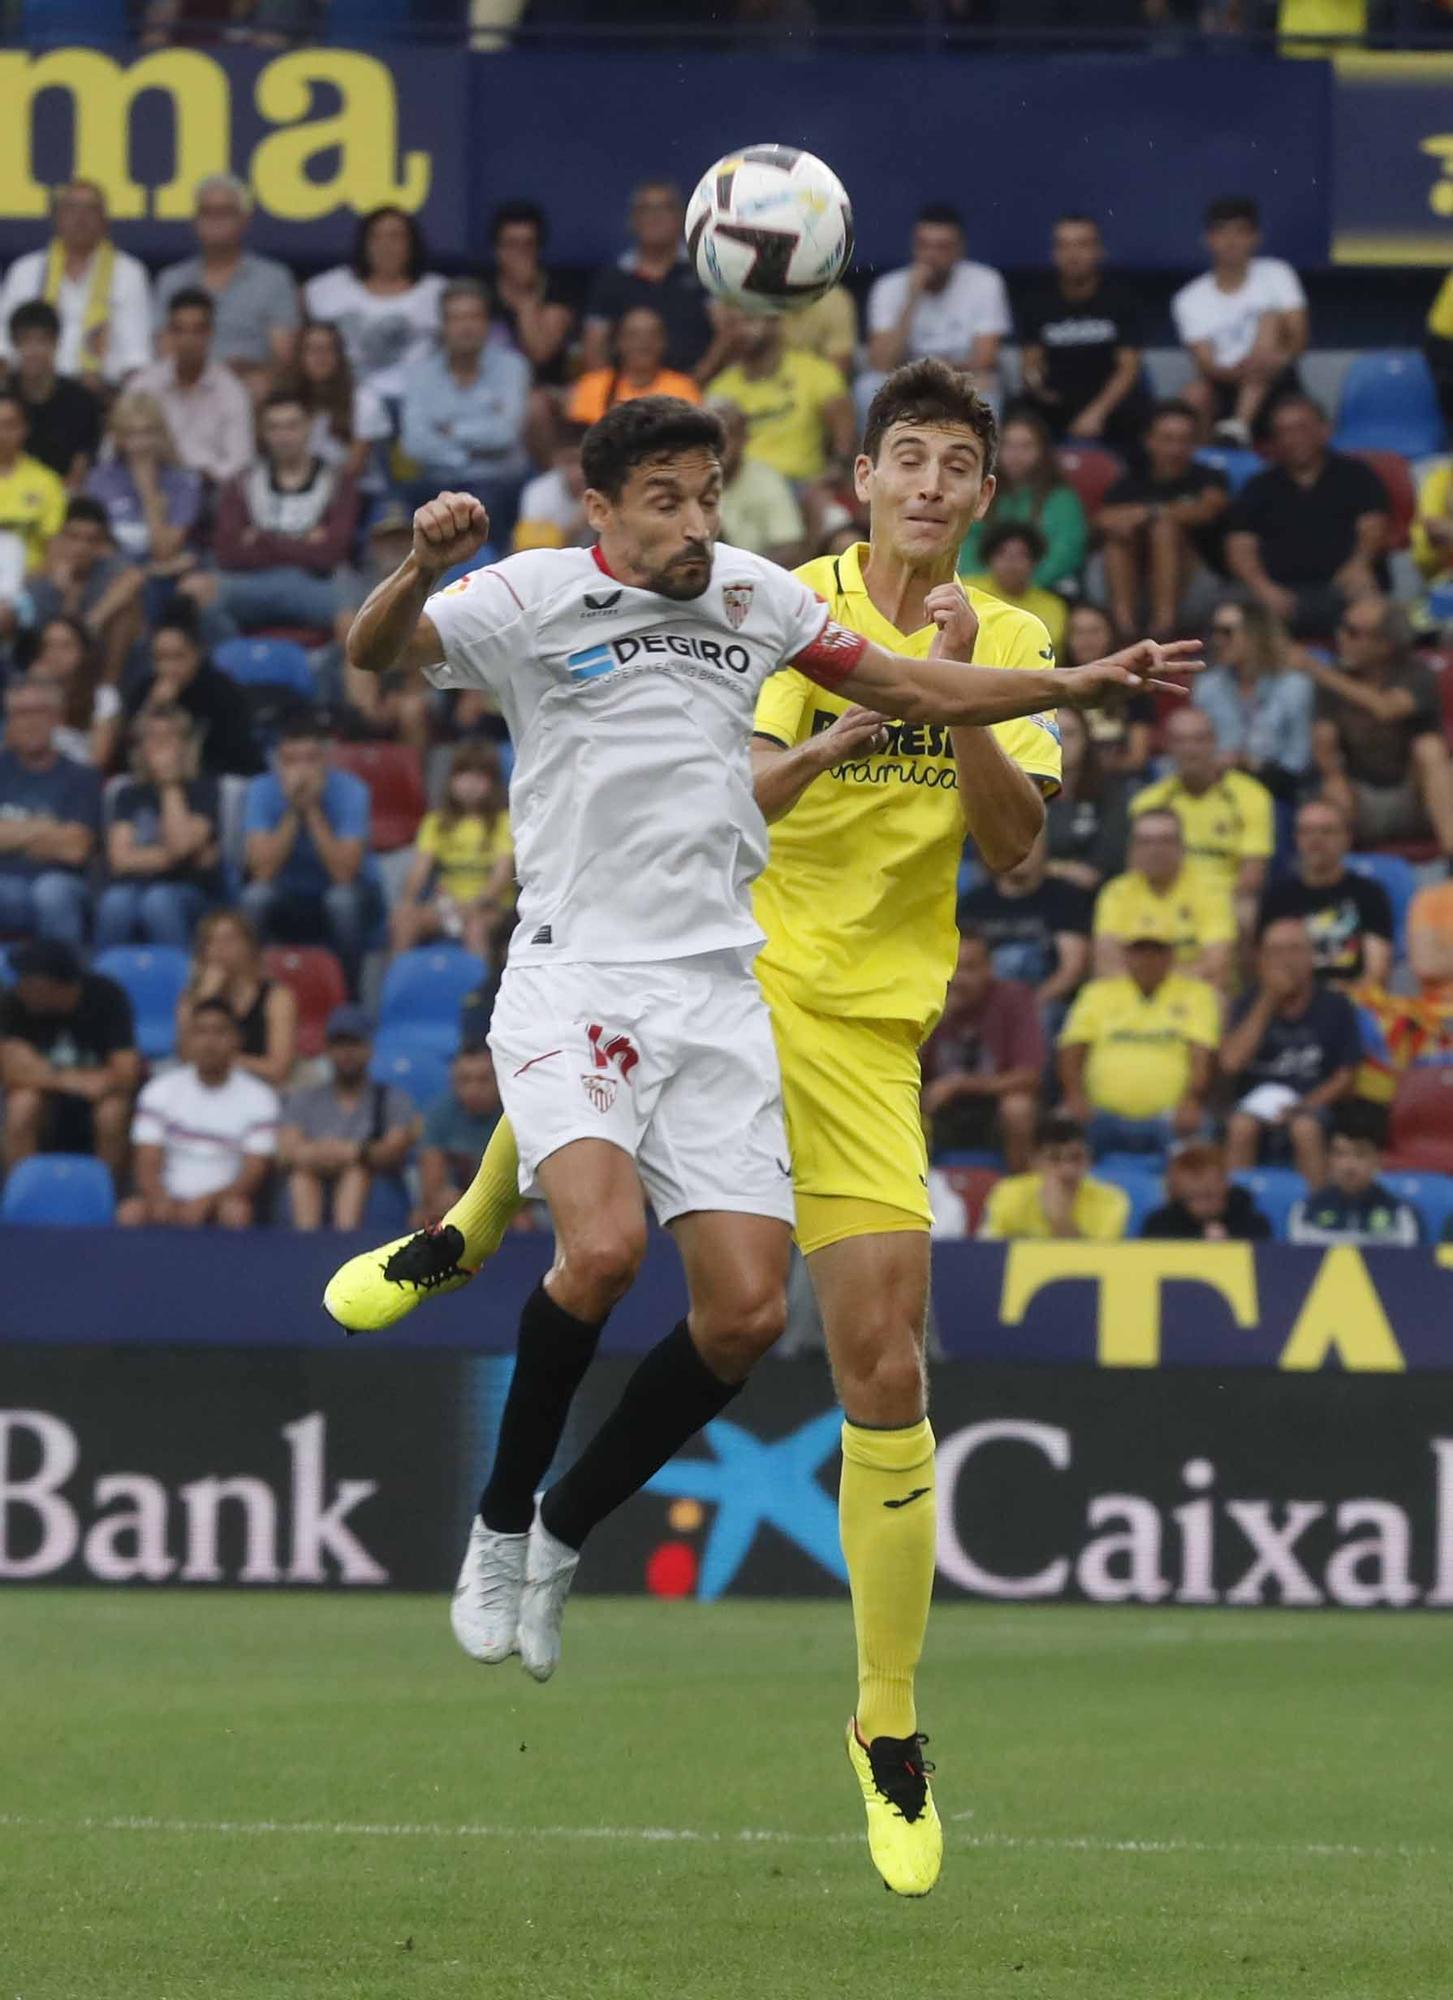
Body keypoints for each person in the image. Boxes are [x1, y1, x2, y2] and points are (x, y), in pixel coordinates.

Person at [325, 383, 1187, 1897]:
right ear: (860, 476)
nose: (929, 484)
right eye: (906, 458)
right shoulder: (770, 599)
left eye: (958, 467)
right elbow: (736, 792)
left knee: (859, 1359)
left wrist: (1011, 685)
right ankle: (464, 1235)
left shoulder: (965, 631)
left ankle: (885, 1727)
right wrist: (868, 717)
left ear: (985, 495)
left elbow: (1013, 844)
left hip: (851, 1025)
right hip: (723, 961)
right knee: (594, 1217)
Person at [180, 392, 358, 639]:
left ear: (308, 427)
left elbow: (332, 553)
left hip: (315, 585)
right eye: (274, 427)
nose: (283, 436)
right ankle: (231, 669)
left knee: (355, 614)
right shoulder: (242, 483)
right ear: (262, 433)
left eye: (292, 426)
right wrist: (303, 542)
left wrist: (262, 540)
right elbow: (228, 553)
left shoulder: (338, 482)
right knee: (195, 591)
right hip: (250, 584)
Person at [1224, 395, 1388, 640]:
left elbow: (1373, 529)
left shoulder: (1357, 475)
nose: (1293, 439)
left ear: (1324, 430)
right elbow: (1239, 545)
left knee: (1368, 597)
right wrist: (1263, 587)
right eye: (1284, 432)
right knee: (1231, 611)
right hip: (1278, 593)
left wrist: (1358, 564)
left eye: (1301, 428)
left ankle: (1368, 677)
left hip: (1339, 586)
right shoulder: (1258, 486)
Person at [1305, 597, 1453, 864]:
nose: (1341, 637)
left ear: (1385, 645)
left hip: (1417, 799)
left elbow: (1387, 708)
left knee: (1430, 749)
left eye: (1353, 632)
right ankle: (1339, 879)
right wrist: (1333, 776)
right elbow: (1323, 741)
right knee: (1330, 787)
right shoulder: (1334, 680)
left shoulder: (1417, 674)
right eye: (1341, 627)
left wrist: (1318, 671)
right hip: (1362, 800)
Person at [1058, 910, 1219, 1155]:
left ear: (1171, 955)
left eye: (1157, 950)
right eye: (1140, 950)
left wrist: (1192, 1100)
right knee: (1061, 1127)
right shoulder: (1097, 993)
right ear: (1126, 954)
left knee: (1198, 1137)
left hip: (1169, 1116)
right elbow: (1071, 1048)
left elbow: (1201, 1056)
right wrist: (1074, 1095)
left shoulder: (1197, 994)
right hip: (1100, 1114)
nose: (1148, 958)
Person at [241, 712, 381, 983]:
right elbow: (262, 872)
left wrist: (313, 810)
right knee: (254, 898)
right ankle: (252, 987)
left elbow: (344, 875)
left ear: (325, 760)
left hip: (344, 894)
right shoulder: (261, 790)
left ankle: (350, 993)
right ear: (277, 763)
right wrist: (294, 811)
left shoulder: (352, 791)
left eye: (311, 759)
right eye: (291, 761)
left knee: (342, 901)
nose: (301, 771)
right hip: (287, 896)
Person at [118, 997, 278, 1229]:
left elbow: (253, 1171)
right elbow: (147, 1159)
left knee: (236, 1212)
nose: (209, 1042)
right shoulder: (159, 1090)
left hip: (222, 1202)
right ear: (188, 1039)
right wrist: (160, 1198)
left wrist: (209, 1202)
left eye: (219, 1032)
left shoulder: (260, 1097)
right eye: (200, 1032)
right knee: (130, 1213)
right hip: (167, 1198)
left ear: (237, 1040)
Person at [1220, 916, 1360, 1182]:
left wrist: (1304, 1106)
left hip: (1314, 1105)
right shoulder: (1247, 1003)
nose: (1285, 959)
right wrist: (1269, 999)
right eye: (1275, 951)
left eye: (1294, 949)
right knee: (1240, 1127)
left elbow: (1346, 1079)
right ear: (1261, 958)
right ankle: (1239, 1211)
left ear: (1311, 956)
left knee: (1304, 1128)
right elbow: (1231, 1063)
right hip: (1254, 1106)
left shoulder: (1336, 1005)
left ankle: (1315, 1213)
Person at [1172, 195, 1308, 446]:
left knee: (1270, 320)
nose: (1231, 242)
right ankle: (1207, 463)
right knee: (1193, 395)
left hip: (1278, 382)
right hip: (1224, 383)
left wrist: (1270, 361)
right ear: (1208, 240)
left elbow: (1298, 338)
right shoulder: (1188, 298)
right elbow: (1206, 364)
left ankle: (1239, 427)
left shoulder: (1277, 273)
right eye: (1222, 233)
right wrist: (1238, 372)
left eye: (1240, 232)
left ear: (1256, 238)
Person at [0, 937, 139, 1183]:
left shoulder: (107, 996)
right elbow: (11, 1071)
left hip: (97, 1098)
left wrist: (41, 1072)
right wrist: (71, 1081)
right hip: (49, 1097)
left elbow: (126, 1072)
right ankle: (21, 1194)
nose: (20, 987)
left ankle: (102, 1194)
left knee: (112, 1112)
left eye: (28, 982)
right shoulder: (14, 1003)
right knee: (21, 1105)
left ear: (54, 986)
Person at [400, 281, 532, 532]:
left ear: (487, 323)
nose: (466, 327)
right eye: (456, 318)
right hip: (436, 485)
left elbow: (505, 434)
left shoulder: (513, 367)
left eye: (474, 317)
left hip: (500, 484)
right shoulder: (420, 374)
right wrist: (467, 455)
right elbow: (414, 443)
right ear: (443, 326)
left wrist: (450, 431)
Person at [1130, 705, 1275, 931]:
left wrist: (1210, 908)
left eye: (1199, 739)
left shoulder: (1251, 796)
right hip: (1164, 899)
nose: (1190, 749)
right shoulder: (1148, 802)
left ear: (1214, 742)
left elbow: (1252, 874)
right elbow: (1137, 869)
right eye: (1181, 741)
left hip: (1225, 902)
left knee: (1246, 911)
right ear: (1167, 746)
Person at [1016, 212, 1150, 453]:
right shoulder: (1035, 300)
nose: (1073, 255)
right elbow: (1030, 363)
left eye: (1082, 245)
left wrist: (1096, 413)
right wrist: (1036, 386)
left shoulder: (1122, 297)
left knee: (1140, 414)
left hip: (1110, 398)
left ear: (1099, 251)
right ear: (1054, 253)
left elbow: (1128, 369)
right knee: (1021, 417)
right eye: (1064, 246)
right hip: (1057, 399)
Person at [277, 1005, 418, 1231]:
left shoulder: (391, 1098)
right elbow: (287, 1151)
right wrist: (332, 1154)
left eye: (354, 1044)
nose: (346, 1053)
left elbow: (394, 1148)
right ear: (328, 1050)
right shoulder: (305, 1098)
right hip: (312, 1177)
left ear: (369, 1048)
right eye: (338, 1045)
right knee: (301, 1177)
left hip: (372, 1188)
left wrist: (353, 1153)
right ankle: (303, 1247)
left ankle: (345, 1245)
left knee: (356, 1173)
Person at [0, 179, 151, 387]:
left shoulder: (129, 273)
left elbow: (136, 355)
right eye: (71, 209)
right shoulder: (25, 270)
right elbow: (4, 347)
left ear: (105, 221)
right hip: (32, 391)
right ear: (56, 218)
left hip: (103, 392)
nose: (80, 218)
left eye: (90, 210)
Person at [1097, 400, 1229, 637]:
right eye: (1168, 439)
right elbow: (1104, 519)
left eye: (1184, 439)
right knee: (1118, 538)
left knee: (1164, 529)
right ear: (1150, 441)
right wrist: (1129, 522)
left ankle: (1163, 626)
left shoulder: (1210, 478)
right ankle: (1124, 628)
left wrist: (1149, 513)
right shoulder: (1131, 480)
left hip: (1196, 585)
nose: (1176, 448)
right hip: (1135, 579)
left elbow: (1208, 509)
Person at [153, 172, 299, 381]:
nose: (215, 220)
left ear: (244, 219)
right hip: (186, 386)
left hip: (251, 386)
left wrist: (247, 372)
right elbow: (164, 353)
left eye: (224, 212)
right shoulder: (172, 280)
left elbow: (284, 356)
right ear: (194, 221)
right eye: (206, 212)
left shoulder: (274, 279)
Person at [863, 203, 1011, 411]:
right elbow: (880, 362)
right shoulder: (888, 287)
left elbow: (985, 359)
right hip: (908, 383)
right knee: (866, 388)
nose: (931, 255)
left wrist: (929, 374)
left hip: (959, 380)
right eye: (924, 245)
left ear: (959, 250)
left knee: (986, 389)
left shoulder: (985, 282)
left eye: (942, 247)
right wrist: (911, 299)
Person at [96, 705, 221, 948]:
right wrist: (177, 857)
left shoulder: (205, 790)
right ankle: (105, 977)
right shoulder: (127, 793)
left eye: (169, 736)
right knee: (115, 902)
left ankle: (181, 979)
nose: (160, 744)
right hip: (134, 886)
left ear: (185, 744)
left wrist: (169, 785)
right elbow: (121, 860)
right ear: (140, 747)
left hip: (190, 890)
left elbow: (182, 846)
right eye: (152, 737)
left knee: (158, 900)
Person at [919, 927, 1043, 1169]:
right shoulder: (929, 999)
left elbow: (1029, 1076)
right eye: (953, 967)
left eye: (969, 968)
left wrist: (961, 1084)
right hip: (941, 1108)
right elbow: (907, 1068)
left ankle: (1017, 1190)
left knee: (1018, 1108)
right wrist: (936, 1019)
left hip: (993, 1106)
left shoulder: (1014, 999)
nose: (959, 978)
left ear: (989, 968)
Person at [580, 180, 724, 382]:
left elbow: (727, 333)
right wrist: (609, 395)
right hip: (629, 395)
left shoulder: (703, 270)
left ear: (681, 217)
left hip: (697, 389)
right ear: (632, 220)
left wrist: (696, 381)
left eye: (665, 208)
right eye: (646, 209)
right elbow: (594, 344)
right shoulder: (612, 278)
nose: (655, 217)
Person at [303, 207, 446, 408]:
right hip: (345, 406)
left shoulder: (439, 292)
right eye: (376, 237)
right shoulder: (327, 289)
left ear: (412, 244)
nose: (385, 245)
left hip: (419, 406)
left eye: (396, 237)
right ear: (364, 244)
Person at [390, 741, 514, 957]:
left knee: (475, 926)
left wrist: (473, 906)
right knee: (404, 920)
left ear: (493, 783)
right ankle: (398, 987)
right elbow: (418, 873)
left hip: (490, 909)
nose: (470, 784)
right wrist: (408, 903)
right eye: (462, 775)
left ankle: (479, 990)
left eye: (479, 777)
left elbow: (501, 878)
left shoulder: (505, 822)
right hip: (447, 907)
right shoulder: (435, 822)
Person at [0, 679, 100, 946]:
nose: (30, 722)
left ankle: (61, 983)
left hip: (64, 886)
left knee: (51, 891)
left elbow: (75, 849)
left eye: (39, 712)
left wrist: (11, 836)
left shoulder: (82, 777)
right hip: (6, 885)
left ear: (57, 718)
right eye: (21, 713)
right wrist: (46, 827)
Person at [1257, 797, 1393, 989]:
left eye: (1327, 831)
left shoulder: (1369, 894)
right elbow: (1267, 971)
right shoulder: (1277, 898)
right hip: (1292, 1004)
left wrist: (1332, 1003)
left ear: (1347, 838)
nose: (1316, 840)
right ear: (1296, 838)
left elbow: (1376, 973)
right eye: (1307, 831)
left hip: (1353, 1005)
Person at [706, 312, 855, 486]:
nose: (741, 330)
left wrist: (835, 471)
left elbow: (845, 431)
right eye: (734, 324)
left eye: (749, 320)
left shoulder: (815, 371)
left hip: (802, 485)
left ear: (775, 323)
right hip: (744, 485)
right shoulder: (720, 388)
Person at [1094, 806, 1235, 992]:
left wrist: (1153, 982)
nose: (1155, 850)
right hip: (1131, 998)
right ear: (1133, 849)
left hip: (1192, 997)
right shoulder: (1116, 892)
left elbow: (1216, 966)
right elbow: (1106, 965)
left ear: (1181, 847)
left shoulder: (1211, 891)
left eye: (1165, 841)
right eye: (1146, 842)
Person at [957, 834, 1090, 1021]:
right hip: (980, 1004)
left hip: (1044, 1002)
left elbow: (1071, 969)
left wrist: (1028, 1004)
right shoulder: (973, 904)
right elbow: (958, 966)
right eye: (1011, 841)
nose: (1021, 850)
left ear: (1045, 848)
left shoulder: (1066, 897)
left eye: (1030, 841)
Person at [130, 290, 254, 488]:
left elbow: (239, 462)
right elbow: (117, 446)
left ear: (210, 334)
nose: (188, 340)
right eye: (180, 330)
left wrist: (201, 478)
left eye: (197, 331)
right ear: (169, 333)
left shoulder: (231, 390)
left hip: (208, 488)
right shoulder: (144, 384)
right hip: (149, 482)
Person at [122, 606, 264, 780]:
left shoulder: (221, 691)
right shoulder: (144, 690)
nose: (168, 668)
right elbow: (126, 755)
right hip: (152, 782)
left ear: (197, 654)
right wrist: (152, 707)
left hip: (212, 781)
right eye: (160, 658)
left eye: (177, 657)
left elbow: (239, 755)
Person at [956, 410, 1087, 594]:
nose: (1016, 455)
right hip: (983, 589)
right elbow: (965, 542)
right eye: (1008, 445)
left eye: (1026, 446)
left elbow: (1067, 553)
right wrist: (991, 583)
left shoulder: (1062, 499)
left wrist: (1021, 584)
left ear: (1043, 450)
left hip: (1046, 591)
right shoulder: (982, 492)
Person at [1194, 599, 1314, 795]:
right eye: (1214, 632)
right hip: (1218, 786)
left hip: (1280, 789)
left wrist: (1251, 763)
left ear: (1255, 634)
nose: (1217, 640)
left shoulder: (1294, 686)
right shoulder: (1207, 686)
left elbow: (1299, 761)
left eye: (1226, 632)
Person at [24, 496, 143, 684]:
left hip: (97, 656)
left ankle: (107, 689)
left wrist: (92, 621)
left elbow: (135, 578)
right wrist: (64, 590)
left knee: (125, 612)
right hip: (48, 660)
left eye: (91, 540)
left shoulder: (107, 568)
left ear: (101, 545)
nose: (81, 547)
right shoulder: (41, 577)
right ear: (60, 537)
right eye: (74, 537)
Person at [176, 908, 297, 1091]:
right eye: (212, 941)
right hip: (208, 1085)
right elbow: (185, 1057)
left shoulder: (277, 997)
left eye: (229, 940)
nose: (220, 949)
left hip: (264, 1087)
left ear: (249, 946)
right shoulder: (192, 997)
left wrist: (220, 1060)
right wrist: (203, 1000)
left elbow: (278, 1069)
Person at [84, 391, 205, 574]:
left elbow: (164, 552)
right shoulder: (99, 479)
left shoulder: (184, 482)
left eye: (147, 433)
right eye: (131, 434)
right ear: (118, 438)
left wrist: (148, 493)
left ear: (161, 435)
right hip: (112, 571)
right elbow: (93, 546)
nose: (140, 444)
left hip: (163, 577)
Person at [1286, 1102, 1422, 1247]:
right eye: (1340, 1154)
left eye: (1360, 1155)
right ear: (1328, 1158)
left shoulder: (1401, 1214)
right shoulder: (1305, 1211)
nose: (1348, 1166)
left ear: (1378, 1159)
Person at [978, 1112, 1130, 1241]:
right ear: (1035, 1161)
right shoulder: (1008, 1193)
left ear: (1089, 1160)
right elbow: (988, 1252)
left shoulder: (1111, 1200)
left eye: (1076, 1158)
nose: (1067, 1169)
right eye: (1054, 1158)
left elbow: (1098, 1264)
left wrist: (1060, 1220)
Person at [277, 319, 391, 484]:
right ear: (299, 355)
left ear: (340, 355)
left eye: (328, 349)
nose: (320, 356)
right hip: (294, 488)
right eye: (311, 349)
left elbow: (354, 469)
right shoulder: (285, 399)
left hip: (354, 491)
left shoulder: (363, 399)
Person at [5, 300, 102, 487]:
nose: (33, 351)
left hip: (61, 499)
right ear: (15, 345)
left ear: (56, 343)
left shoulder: (81, 401)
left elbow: (80, 467)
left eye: (42, 341)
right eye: (25, 341)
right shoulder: (3, 397)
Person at [1043, 704, 1130, 898]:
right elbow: (1014, 861)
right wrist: (1063, 870)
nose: (1061, 742)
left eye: (1070, 734)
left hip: (1096, 897)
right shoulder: (1025, 792)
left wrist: (1047, 868)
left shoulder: (1109, 794)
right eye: (1053, 734)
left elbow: (1107, 860)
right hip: (1036, 898)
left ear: (1086, 740)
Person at [487, 200, 574, 388]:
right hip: (488, 387)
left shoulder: (557, 290)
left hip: (543, 388)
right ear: (497, 250)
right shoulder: (482, 290)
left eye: (528, 244)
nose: (520, 253)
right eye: (511, 244)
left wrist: (525, 294)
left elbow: (540, 353)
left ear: (538, 248)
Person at [568, 308, 701, 428]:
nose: (643, 343)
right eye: (633, 335)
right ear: (619, 342)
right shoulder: (591, 385)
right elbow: (582, 440)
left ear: (664, 342)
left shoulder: (683, 388)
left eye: (652, 335)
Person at [418, 1042, 505, 1225]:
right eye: (465, 1080)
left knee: (523, 1220)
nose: (474, 1089)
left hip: (507, 1207)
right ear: (453, 1083)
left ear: (499, 1080)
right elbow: (432, 1191)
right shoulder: (439, 1114)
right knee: (424, 1217)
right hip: (457, 1204)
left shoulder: (515, 1116)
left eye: (483, 1080)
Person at [1064, 601, 1153, 775]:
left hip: (1118, 782)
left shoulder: (1132, 686)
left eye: (1094, 631)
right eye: (1078, 632)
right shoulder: (1055, 685)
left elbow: (1137, 758)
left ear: (1111, 635)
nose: (1086, 640)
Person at [23, 614, 121, 770]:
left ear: (83, 652)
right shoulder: (33, 692)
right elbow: (13, 751)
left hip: (78, 783)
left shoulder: (103, 696)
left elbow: (98, 761)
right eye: (48, 646)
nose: (55, 654)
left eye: (65, 646)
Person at [713, 400, 805, 566]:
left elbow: (790, 548)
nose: (720, 446)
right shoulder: (689, 482)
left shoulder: (766, 479)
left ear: (744, 439)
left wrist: (744, 574)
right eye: (713, 438)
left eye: (729, 436)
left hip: (756, 577)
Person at [960, 520, 1067, 655]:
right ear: (988, 559)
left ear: (1034, 562)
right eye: (1002, 554)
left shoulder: (1053, 608)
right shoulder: (965, 591)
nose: (1011, 563)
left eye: (1021, 555)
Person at [1141, 1138, 1272, 1241]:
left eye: (1209, 1195)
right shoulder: (1159, 1225)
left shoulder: (1252, 1224)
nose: (1203, 1204)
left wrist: (1230, 1242)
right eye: (1192, 1197)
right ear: (1178, 1193)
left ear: (1225, 1184)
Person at [0, 389, 66, 576]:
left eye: (9, 425)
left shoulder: (46, 481)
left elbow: (55, 548)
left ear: (24, 429)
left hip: (30, 583)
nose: (1, 434)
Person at [513, 421, 591, 554]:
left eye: (584, 461)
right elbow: (534, 555)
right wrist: (576, 526)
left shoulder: (607, 488)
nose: (579, 471)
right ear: (557, 460)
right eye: (570, 461)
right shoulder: (538, 493)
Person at [780, 284, 858, 384]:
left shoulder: (833, 299)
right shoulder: (758, 298)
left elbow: (837, 370)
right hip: (766, 386)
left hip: (816, 387)